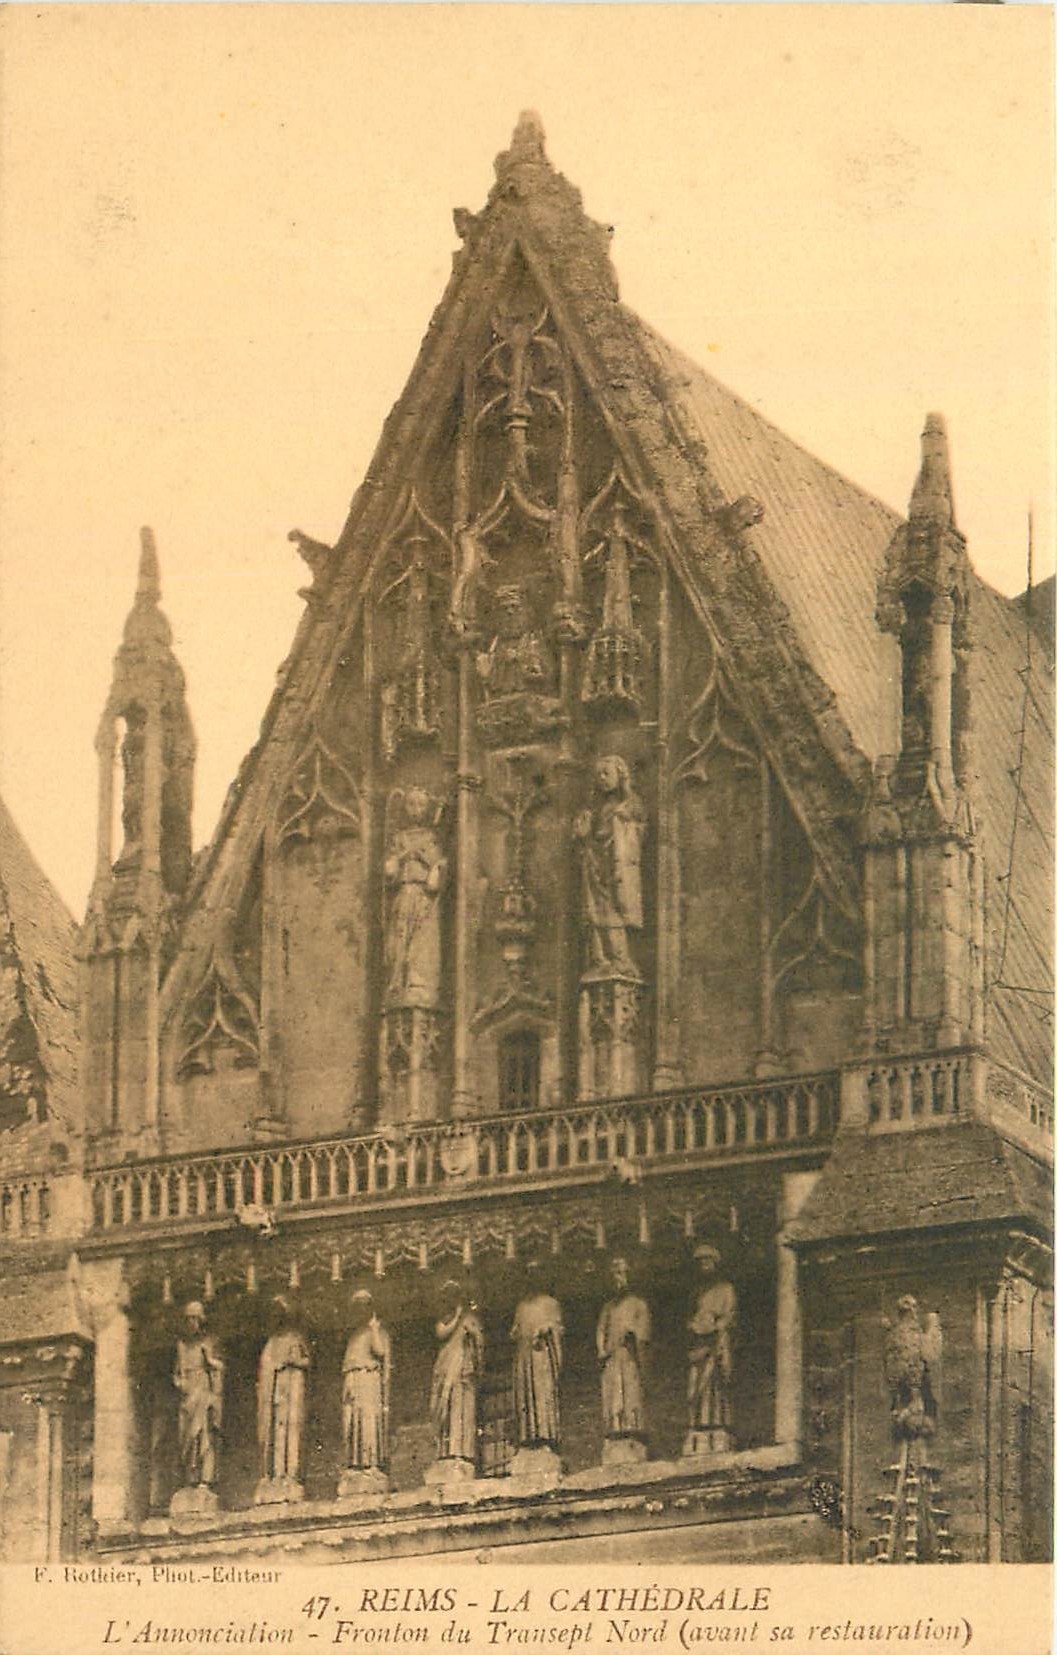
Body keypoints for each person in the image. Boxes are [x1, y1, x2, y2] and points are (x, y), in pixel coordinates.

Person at [574, 755, 647, 975]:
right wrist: (583, 836)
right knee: (593, 911)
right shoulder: (595, 809)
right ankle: (599, 959)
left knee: (615, 912)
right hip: (594, 862)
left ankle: (620, 959)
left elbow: (639, 833)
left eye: (607, 773)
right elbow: (586, 836)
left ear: (621, 775)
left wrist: (621, 826)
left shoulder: (629, 806)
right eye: (598, 775)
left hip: (616, 866)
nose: (602, 779)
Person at [384, 788, 446, 1008]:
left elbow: (438, 865)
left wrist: (425, 858)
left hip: (423, 897)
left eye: (421, 805)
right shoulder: (399, 838)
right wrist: (396, 862)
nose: (416, 810)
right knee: (398, 940)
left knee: (421, 942)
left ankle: (417, 984)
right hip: (404, 893)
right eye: (411, 804)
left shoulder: (432, 837)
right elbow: (389, 872)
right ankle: (397, 982)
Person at [686, 1245, 737, 1450]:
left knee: (715, 1386)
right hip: (699, 1345)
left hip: (717, 1343)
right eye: (701, 1262)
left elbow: (730, 1317)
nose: (704, 1265)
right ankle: (697, 1425)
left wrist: (714, 1326)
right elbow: (691, 1318)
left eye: (707, 1261)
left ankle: (717, 1425)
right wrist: (694, 1326)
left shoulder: (726, 1289)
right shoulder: (698, 1293)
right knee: (696, 1387)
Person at [256, 1298, 311, 1488]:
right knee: (275, 1431)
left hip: (290, 1392)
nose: (275, 1318)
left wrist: (291, 1362)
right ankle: (274, 1473)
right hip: (273, 1394)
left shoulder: (295, 1338)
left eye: (278, 1313)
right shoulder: (271, 1342)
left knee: (290, 1429)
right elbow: (265, 1368)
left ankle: (291, 1473)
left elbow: (305, 1361)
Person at [429, 1281, 484, 1467]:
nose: (450, 1300)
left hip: (462, 1372)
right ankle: (444, 1453)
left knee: (460, 1411)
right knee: (445, 1411)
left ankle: (460, 1452)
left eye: (454, 1295)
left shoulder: (471, 1319)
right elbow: (441, 1333)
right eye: (447, 1297)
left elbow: (479, 1344)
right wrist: (457, 1318)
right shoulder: (446, 1320)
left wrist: (474, 1335)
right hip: (445, 1370)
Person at [597, 1256, 651, 1441]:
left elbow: (644, 1332)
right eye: (615, 1275)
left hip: (629, 1355)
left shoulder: (638, 1304)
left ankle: (632, 1427)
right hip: (612, 1356)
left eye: (621, 1274)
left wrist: (633, 1333)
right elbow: (601, 1329)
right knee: (613, 1394)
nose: (618, 1279)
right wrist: (602, 1349)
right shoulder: (608, 1307)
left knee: (629, 1391)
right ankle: (615, 1428)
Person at [173, 1301, 224, 1489]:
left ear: (202, 1320)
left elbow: (220, 1367)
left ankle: (205, 1479)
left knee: (204, 1434)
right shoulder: (181, 1345)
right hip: (188, 1395)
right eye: (188, 1319)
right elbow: (177, 1373)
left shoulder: (209, 1342)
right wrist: (180, 1383)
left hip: (204, 1390)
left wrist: (210, 1361)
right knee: (187, 1437)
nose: (191, 1323)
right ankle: (190, 1478)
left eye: (195, 1318)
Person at [511, 1268, 563, 1450]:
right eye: (529, 1274)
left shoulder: (550, 1303)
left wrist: (546, 1329)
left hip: (541, 1356)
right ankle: (527, 1439)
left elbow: (557, 1326)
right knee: (525, 1396)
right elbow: (516, 1328)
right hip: (525, 1357)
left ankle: (545, 1436)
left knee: (542, 1394)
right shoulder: (522, 1306)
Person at [341, 1290, 391, 1472]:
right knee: (353, 1421)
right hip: (353, 1380)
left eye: (363, 1307)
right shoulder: (355, 1335)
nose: (360, 1312)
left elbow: (380, 1351)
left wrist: (375, 1330)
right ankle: (355, 1463)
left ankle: (371, 1463)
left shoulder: (375, 1331)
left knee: (368, 1420)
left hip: (368, 1380)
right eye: (357, 1308)